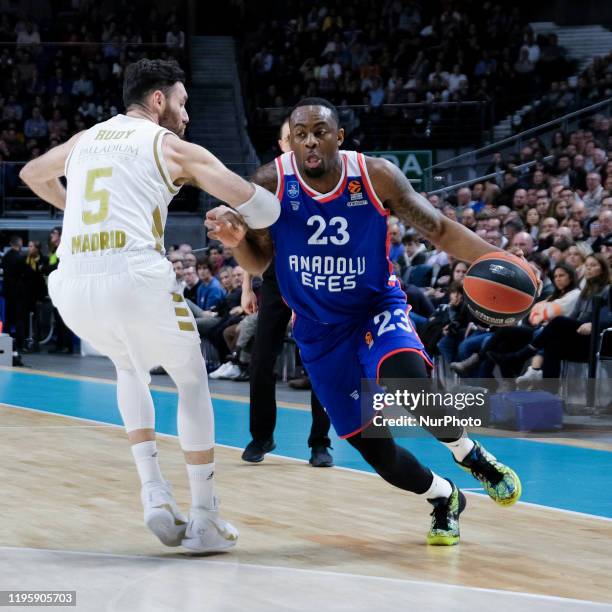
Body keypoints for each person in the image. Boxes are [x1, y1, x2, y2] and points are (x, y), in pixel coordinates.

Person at [206, 98, 522, 546]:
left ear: (339, 137)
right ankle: (444, 497)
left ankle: (468, 453)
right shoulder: (270, 182)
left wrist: (499, 258)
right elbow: (259, 263)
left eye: (320, 131)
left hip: (375, 306)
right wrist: (236, 243)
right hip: (318, 330)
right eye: (301, 133)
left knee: (407, 379)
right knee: (379, 452)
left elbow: (438, 228)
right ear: (290, 140)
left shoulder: (375, 175)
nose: (311, 140)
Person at [18, 58, 280, 552]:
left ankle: (154, 493)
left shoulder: (85, 139)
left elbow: (32, 173)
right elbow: (262, 206)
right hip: (133, 275)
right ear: (158, 101)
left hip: (72, 283)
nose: (186, 115)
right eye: (182, 103)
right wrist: (254, 212)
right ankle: (205, 517)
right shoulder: (170, 146)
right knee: (190, 378)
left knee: (127, 366)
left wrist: (75, 210)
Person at [241, 118, 333, 467]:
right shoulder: (269, 180)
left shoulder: (327, 177)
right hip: (277, 278)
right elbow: (248, 240)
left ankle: (320, 443)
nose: (304, 143)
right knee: (262, 358)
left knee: (319, 362)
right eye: (294, 137)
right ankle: (261, 437)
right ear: (284, 144)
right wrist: (248, 286)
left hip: (317, 280)